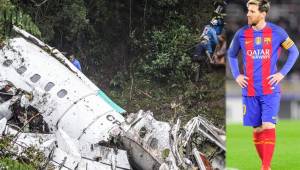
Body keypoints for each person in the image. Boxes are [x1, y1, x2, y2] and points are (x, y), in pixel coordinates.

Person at [227, 0, 299, 170]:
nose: (248, 14)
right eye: (248, 11)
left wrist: (281, 74)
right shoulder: (241, 34)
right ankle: (265, 164)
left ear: (262, 14)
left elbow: (295, 51)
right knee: (258, 129)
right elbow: (230, 55)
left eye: (252, 11)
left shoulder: (277, 32)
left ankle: (265, 167)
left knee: (268, 125)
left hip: (270, 90)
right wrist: (237, 75)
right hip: (250, 90)